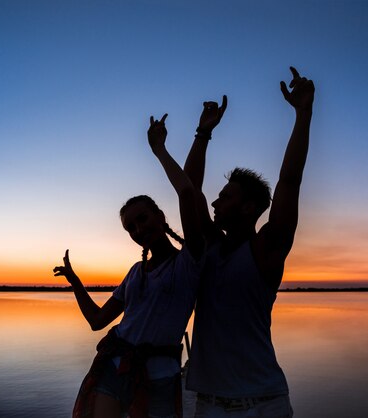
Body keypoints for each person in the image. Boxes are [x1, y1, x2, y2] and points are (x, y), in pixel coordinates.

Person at [183, 67, 315, 417]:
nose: (214, 203)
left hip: (263, 404)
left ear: (249, 207)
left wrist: (303, 114)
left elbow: (290, 181)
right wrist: (203, 133)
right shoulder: (210, 247)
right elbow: (189, 189)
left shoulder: (266, 250)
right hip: (208, 405)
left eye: (224, 197)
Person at [53, 115, 204, 418]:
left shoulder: (189, 261)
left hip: (160, 378)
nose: (137, 229)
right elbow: (97, 320)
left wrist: (159, 150)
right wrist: (75, 282)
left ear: (161, 216)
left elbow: (188, 193)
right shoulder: (136, 271)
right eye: (130, 227)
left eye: (142, 219)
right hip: (113, 368)